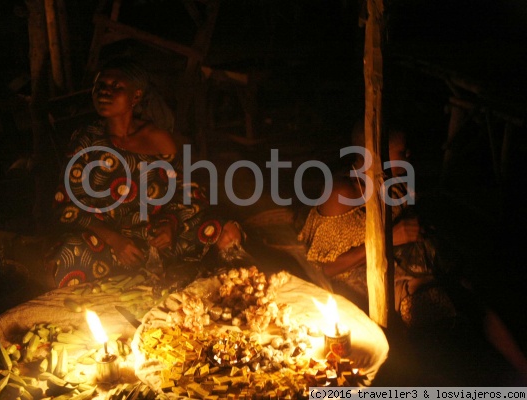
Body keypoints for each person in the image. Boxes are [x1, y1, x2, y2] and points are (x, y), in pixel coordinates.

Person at [297, 120, 527, 379]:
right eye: (401, 152)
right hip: (364, 277)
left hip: (406, 263)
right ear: (375, 154)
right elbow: (321, 267)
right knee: (427, 299)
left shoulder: (393, 184)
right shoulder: (343, 192)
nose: (409, 156)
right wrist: (388, 239)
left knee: (475, 286)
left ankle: (519, 369)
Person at [45, 56, 244, 288]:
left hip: (156, 236)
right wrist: (115, 240)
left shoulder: (157, 138)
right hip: (107, 239)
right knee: (61, 259)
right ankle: (142, 273)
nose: (104, 92)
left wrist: (170, 225)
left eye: (115, 87)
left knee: (226, 233)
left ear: (136, 96)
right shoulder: (85, 139)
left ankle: (192, 275)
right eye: (100, 86)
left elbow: (184, 191)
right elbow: (66, 203)